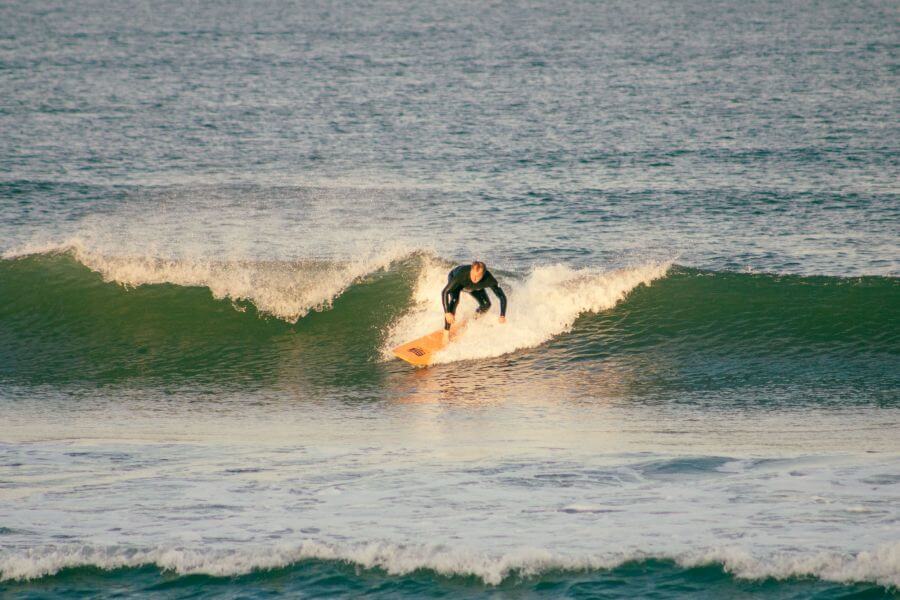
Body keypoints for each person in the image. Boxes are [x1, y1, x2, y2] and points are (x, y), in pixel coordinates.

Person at [442, 261, 507, 331]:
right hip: (458, 281)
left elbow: (502, 296)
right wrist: (447, 313)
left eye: (477, 276)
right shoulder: (461, 275)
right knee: (455, 300)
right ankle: (446, 332)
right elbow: (445, 292)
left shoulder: (489, 279)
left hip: (472, 287)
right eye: (473, 274)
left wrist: (502, 315)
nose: (474, 278)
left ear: (483, 275)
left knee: (486, 304)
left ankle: (472, 320)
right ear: (471, 270)